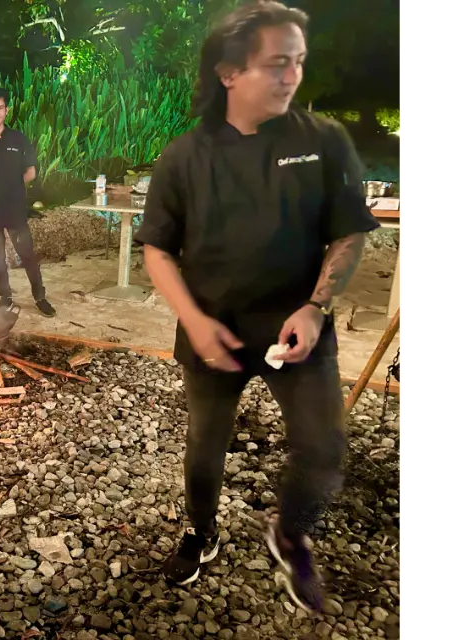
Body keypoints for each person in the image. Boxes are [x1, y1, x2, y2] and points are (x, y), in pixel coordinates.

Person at [133, 1, 379, 612]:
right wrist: (194, 321)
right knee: (203, 449)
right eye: (276, 63)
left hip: (299, 328)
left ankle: (289, 532)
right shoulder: (184, 156)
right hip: (213, 332)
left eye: (298, 62)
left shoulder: (323, 141)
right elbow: (157, 253)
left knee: (323, 449)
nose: (292, 75)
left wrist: (318, 307)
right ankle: (202, 533)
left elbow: (349, 232)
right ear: (229, 73)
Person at [0, 87, 56, 317]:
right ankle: (5, 297)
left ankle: (40, 296)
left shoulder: (19, 139)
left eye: (0, 108)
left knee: (27, 254)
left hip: (14, 209)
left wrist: (13, 189)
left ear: (6, 111)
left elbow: (32, 172)